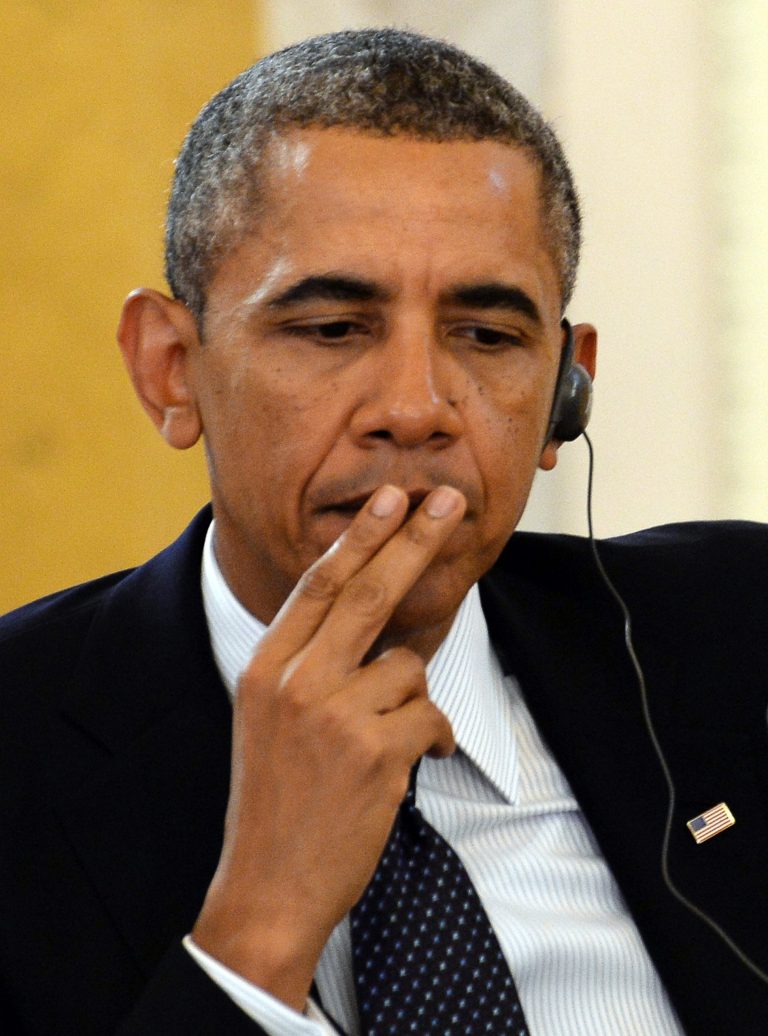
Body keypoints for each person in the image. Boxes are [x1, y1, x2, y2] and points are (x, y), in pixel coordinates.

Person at [1, 26, 767, 1036]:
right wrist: (258, 930)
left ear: (563, 392)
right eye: (331, 329)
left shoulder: (735, 637)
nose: (415, 407)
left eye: (488, 336)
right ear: (170, 369)